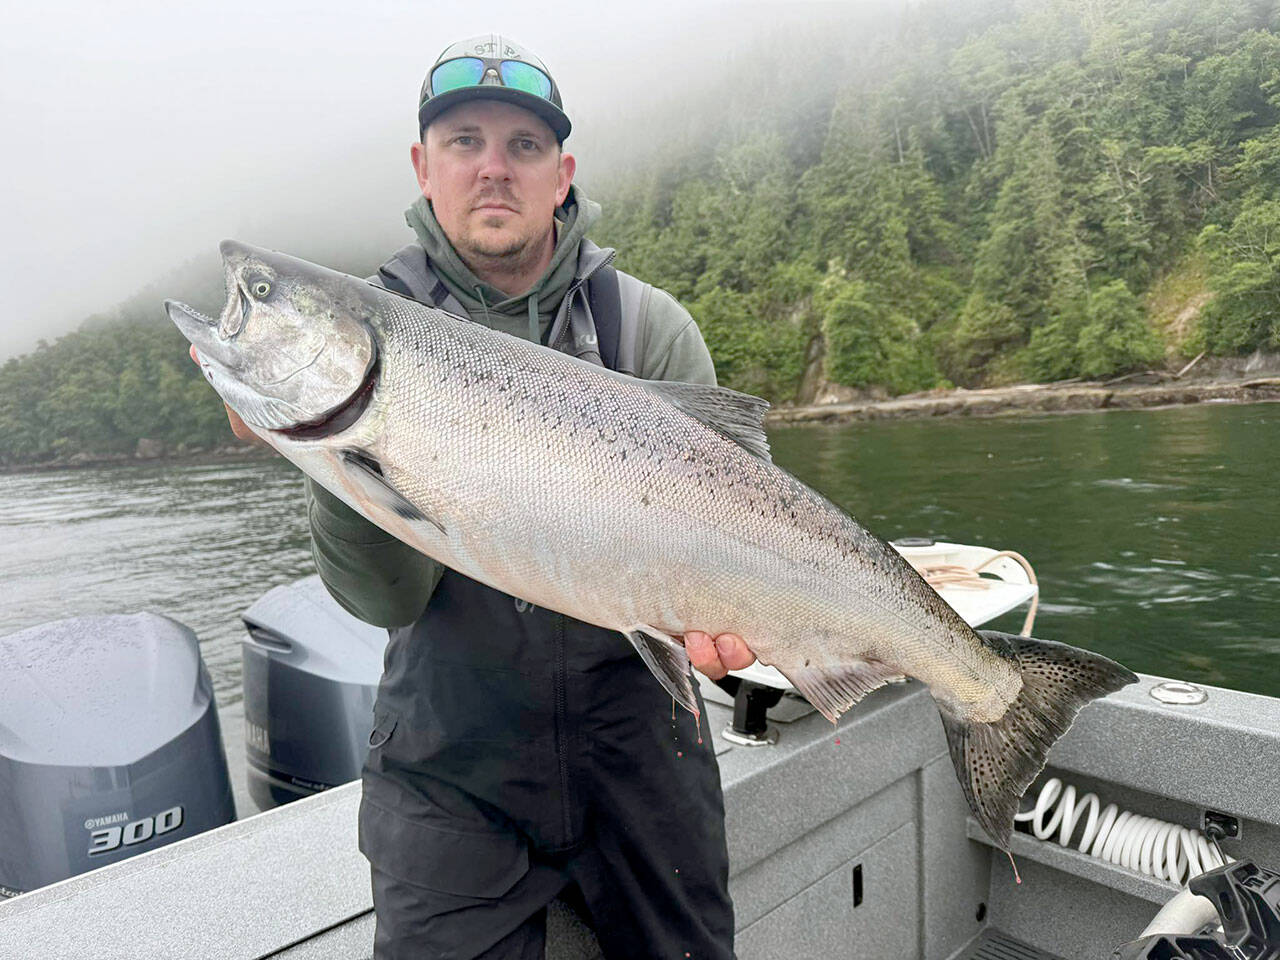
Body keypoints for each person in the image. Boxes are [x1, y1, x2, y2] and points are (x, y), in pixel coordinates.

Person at [201, 34, 755, 960]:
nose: (493, 169)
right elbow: (386, 600)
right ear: (423, 166)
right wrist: (341, 446)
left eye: (523, 147)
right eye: (463, 141)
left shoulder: (646, 326)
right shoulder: (377, 321)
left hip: (645, 752)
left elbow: (739, 510)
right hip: (451, 769)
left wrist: (730, 620)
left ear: (562, 173)